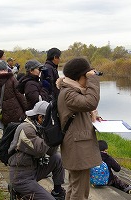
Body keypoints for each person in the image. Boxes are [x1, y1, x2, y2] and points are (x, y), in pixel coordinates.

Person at [57, 57, 102, 199]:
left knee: (75, 187)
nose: (88, 81)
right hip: (78, 147)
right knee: (80, 192)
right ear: (79, 77)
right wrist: (94, 79)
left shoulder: (72, 91)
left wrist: (92, 118)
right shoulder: (69, 93)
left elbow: (84, 109)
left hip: (78, 145)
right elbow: (91, 102)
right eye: (87, 77)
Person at [8, 101, 66, 200]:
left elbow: (51, 152)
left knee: (57, 158)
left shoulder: (39, 127)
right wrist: (53, 133)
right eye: (50, 119)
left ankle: (57, 191)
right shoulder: (26, 129)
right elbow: (40, 150)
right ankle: (17, 189)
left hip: (33, 170)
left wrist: (57, 135)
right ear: (40, 117)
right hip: (21, 177)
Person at [0, 60, 27, 130]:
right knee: (17, 133)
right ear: (6, 68)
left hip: (4, 112)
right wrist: (26, 109)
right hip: (16, 111)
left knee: (7, 133)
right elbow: (19, 95)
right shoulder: (12, 79)